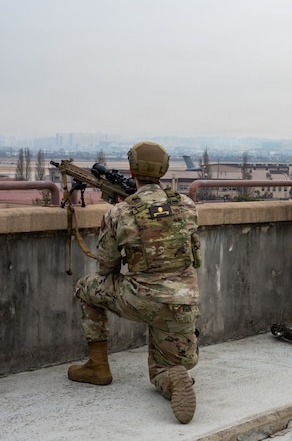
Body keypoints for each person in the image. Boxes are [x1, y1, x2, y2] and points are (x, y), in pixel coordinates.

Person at [68, 141, 202, 424]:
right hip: (182, 302)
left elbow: (105, 267)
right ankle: (173, 376)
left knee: (86, 287)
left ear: (131, 170)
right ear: (163, 171)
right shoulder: (187, 205)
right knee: (167, 367)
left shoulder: (120, 212)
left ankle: (98, 367)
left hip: (140, 299)